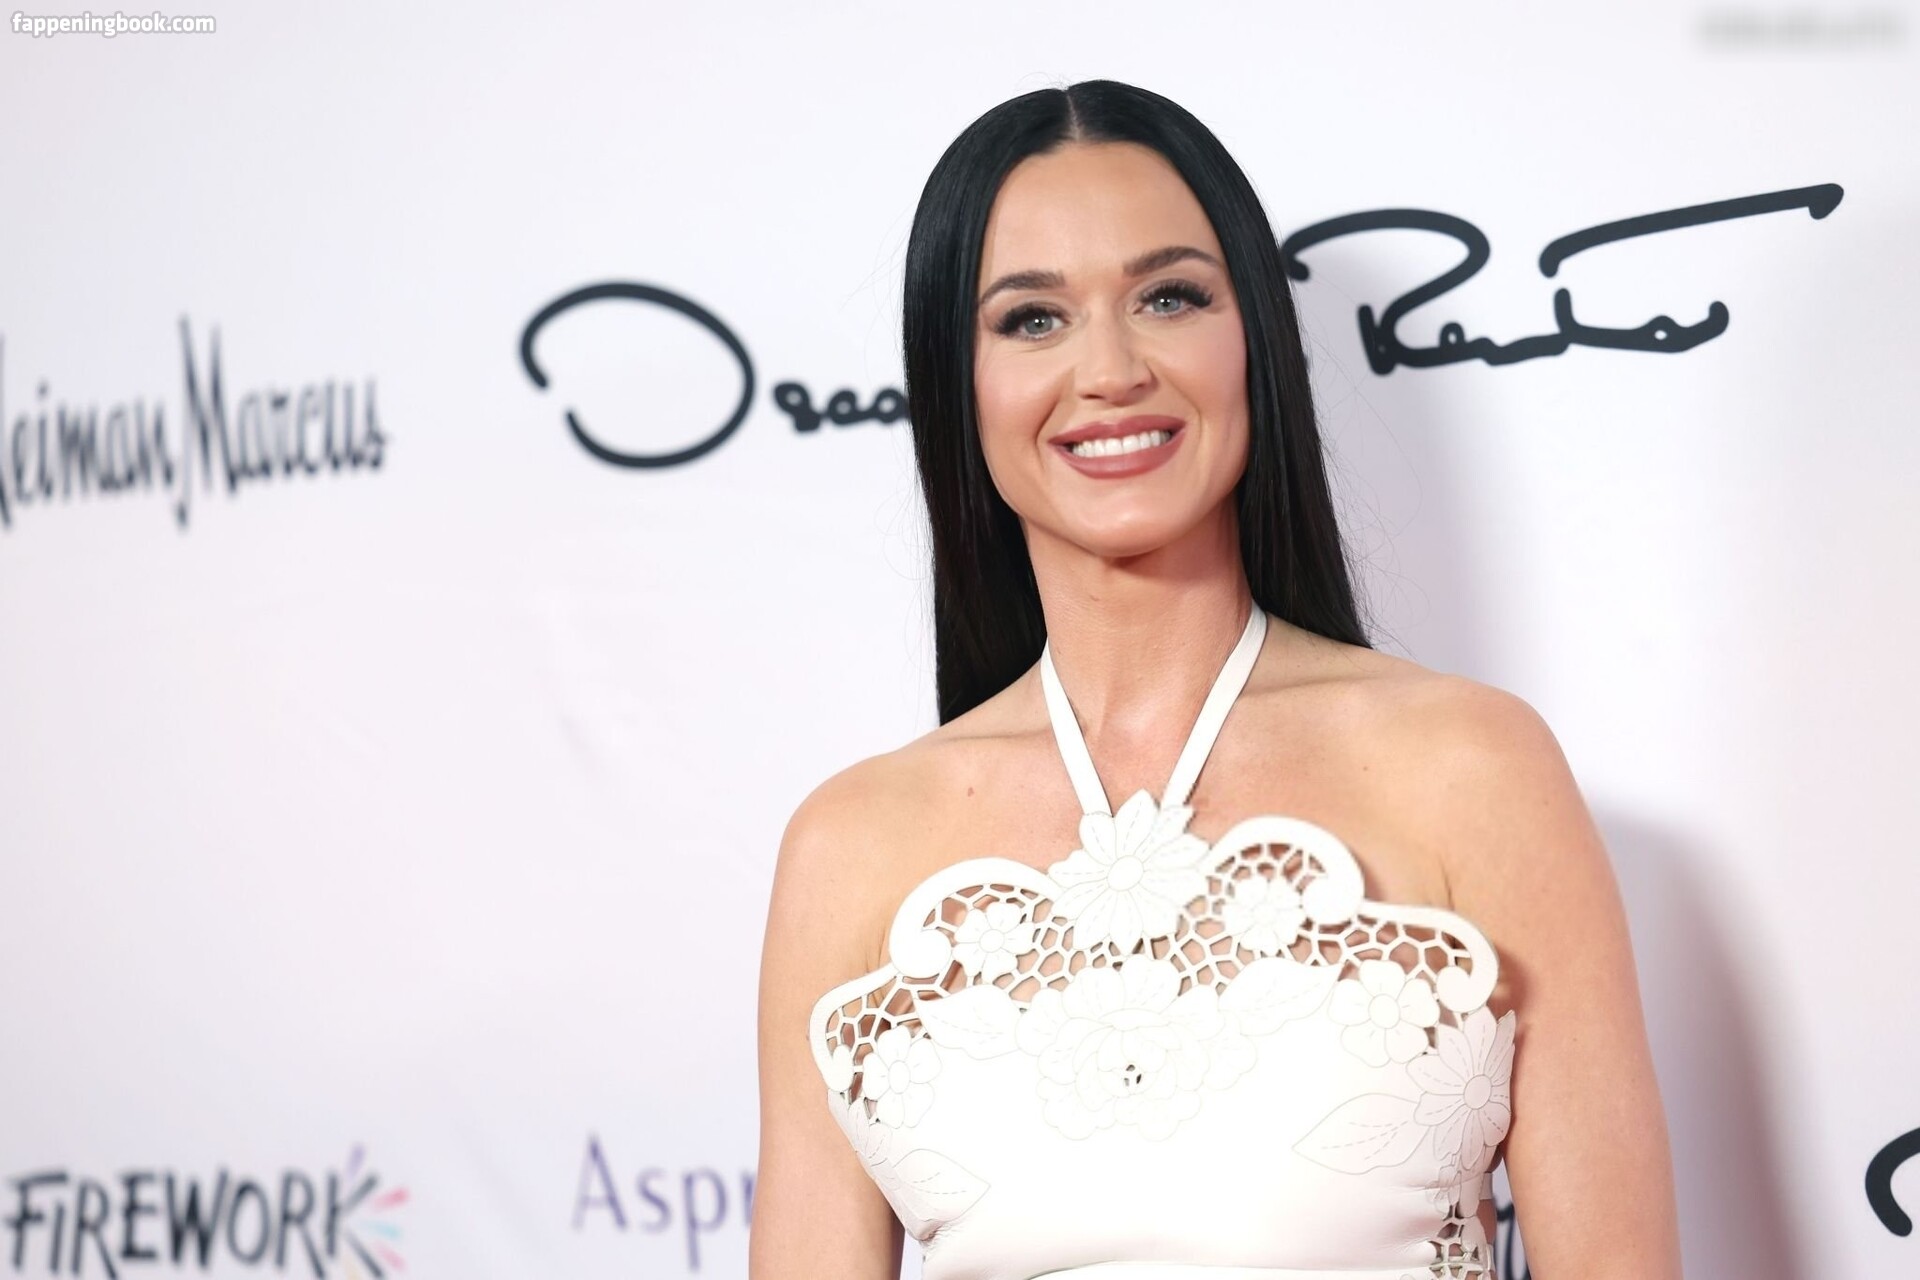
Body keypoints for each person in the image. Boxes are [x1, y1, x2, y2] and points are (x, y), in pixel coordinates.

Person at [753, 79, 1680, 1280]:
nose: (1109, 370)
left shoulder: (1472, 765)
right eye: (1032, 319)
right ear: (953, 382)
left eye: (1169, 297)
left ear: (1254, 340)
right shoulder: (851, 842)